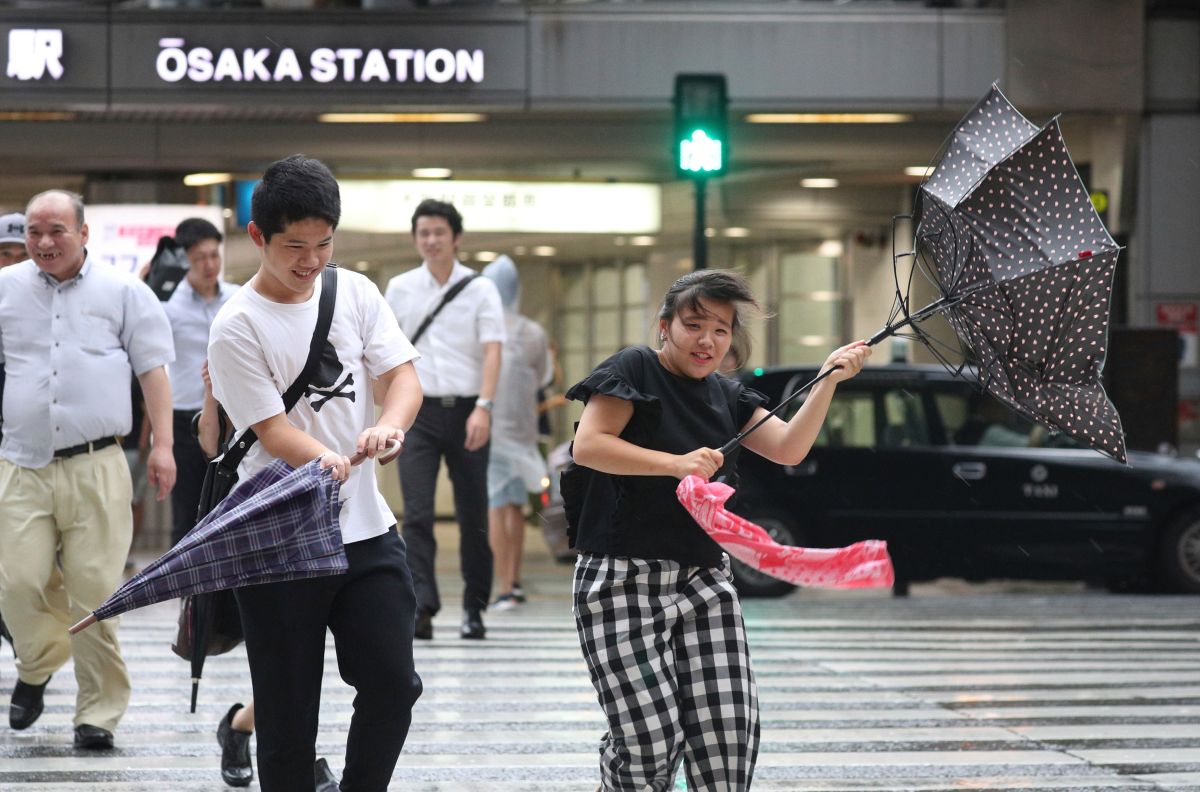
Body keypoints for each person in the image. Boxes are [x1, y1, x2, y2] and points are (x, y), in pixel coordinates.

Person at [566, 270, 869, 790]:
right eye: (694, 325)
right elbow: (589, 445)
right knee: (648, 742)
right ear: (665, 326)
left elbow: (788, 447)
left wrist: (828, 381)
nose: (708, 341)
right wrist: (675, 464)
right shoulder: (633, 368)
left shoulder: (728, 396)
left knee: (729, 732)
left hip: (704, 579)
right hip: (619, 580)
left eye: (722, 330)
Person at [207, 154, 424, 792]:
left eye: (323, 244)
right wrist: (325, 457)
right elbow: (273, 431)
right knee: (287, 713)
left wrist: (392, 424)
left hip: (364, 530)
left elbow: (402, 377)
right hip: (278, 543)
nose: (311, 260)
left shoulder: (354, 290)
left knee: (393, 682)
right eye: (294, 246)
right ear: (257, 239)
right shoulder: (236, 326)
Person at [0, 189, 176, 750]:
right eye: (33, 232)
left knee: (97, 593)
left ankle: (98, 712)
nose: (44, 242)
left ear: (83, 233)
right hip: (21, 464)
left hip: (98, 465)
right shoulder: (4, 290)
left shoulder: (125, 292)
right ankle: (38, 663)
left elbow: (154, 372)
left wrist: (163, 446)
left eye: (56, 230)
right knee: (16, 585)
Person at [384, 199, 505, 640]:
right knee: (416, 514)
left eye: (438, 232)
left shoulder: (480, 288)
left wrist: (484, 407)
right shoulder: (398, 288)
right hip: (418, 412)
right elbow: (384, 353)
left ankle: (475, 608)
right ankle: (422, 607)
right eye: (423, 233)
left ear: (456, 237)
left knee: (473, 511)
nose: (431, 240)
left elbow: (493, 348)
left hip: (470, 409)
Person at [161, 217, 238, 546]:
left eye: (214, 255)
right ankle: (188, 599)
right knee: (188, 512)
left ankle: (223, 597)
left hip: (233, 419)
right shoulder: (167, 306)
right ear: (185, 260)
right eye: (199, 258)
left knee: (230, 508)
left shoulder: (237, 298)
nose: (209, 265)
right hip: (185, 419)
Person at [480, 255, 551, 609]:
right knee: (515, 508)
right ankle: (515, 581)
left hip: (489, 432)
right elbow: (543, 378)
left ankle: (504, 586)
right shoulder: (532, 332)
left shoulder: (481, 329)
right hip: (521, 433)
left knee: (495, 506)